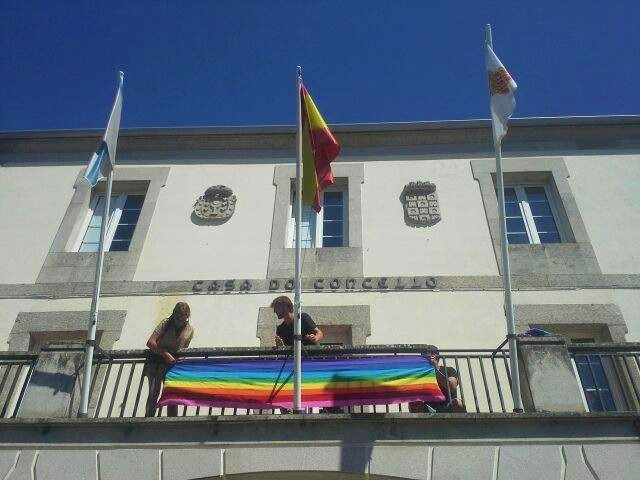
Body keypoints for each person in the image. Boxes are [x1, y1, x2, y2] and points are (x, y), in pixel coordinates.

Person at [143, 302, 194, 417]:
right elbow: (150, 342)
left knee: (172, 395)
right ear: (174, 314)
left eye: (182, 317)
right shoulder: (165, 323)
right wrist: (165, 354)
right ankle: (148, 419)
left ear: (187, 316)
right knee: (154, 392)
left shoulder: (190, 330)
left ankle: (172, 420)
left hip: (172, 365)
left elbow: (184, 350)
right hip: (155, 362)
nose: (179, 320)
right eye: (177, 317)